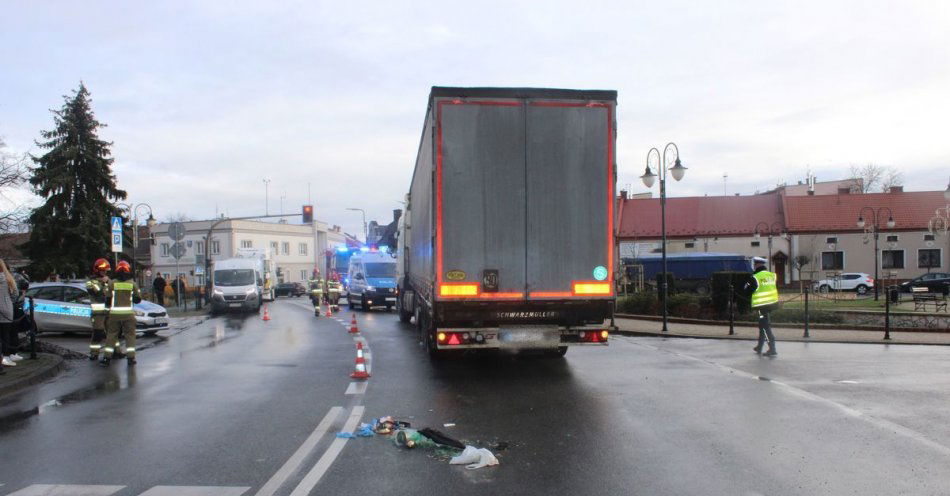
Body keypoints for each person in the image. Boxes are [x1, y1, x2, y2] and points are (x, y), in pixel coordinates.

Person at [101, 260, 142, 366]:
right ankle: (131, 358)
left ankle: (106, 359)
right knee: (130, 336)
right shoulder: (132, 284)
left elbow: (108, 300)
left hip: (114, 315)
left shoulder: (112, 283)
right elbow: (138, 300)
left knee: (111, 336)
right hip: (128, 315)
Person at [745, 256, 779, 356]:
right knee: (763, 326)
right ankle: (759, 347)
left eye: (755, 265)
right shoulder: (772, 275)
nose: (754, 266)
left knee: (765, 327)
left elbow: (747, 289)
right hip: (771, 304)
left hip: (761, 306)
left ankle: (772, 348)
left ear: (757, 265)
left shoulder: (755, 277)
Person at [86, 258, 111, 361]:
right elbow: (98, 294)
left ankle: (115, 352)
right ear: (97, 270)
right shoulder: (91, 282)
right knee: (98, 332)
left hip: (109, 312)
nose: (104, 272)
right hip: (98, 313)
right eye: (102, 270)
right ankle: (94, 353)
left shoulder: (108, 280)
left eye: (105, 270)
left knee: (112, 333)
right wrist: (104, 283)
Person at [0, 259, 22, 367]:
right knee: (6, 334)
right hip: (7, 310)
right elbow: (15, 294)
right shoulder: (8, 279)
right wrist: (8, 302)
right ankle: (6, 356)